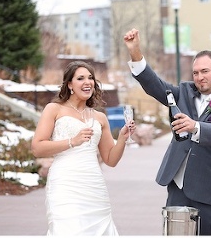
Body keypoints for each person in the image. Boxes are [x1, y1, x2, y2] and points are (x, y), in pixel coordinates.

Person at [123, 28, 211, 235]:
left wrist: (196, 127)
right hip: (179, 190)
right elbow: (154, 85)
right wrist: (135, 53)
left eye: (205, 71)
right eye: (195, 72)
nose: (199, 77)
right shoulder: (183, 92)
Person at [31, 61, 136, 235]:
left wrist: (123, 138)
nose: (87, 82)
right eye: (80, 78)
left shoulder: (100, 117)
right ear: (70, 84)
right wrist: (72, 141)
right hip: (65, 183)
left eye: (90, 78)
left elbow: (110, 159)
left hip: (93, 185)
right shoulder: (54, 109)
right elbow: (37, 147)